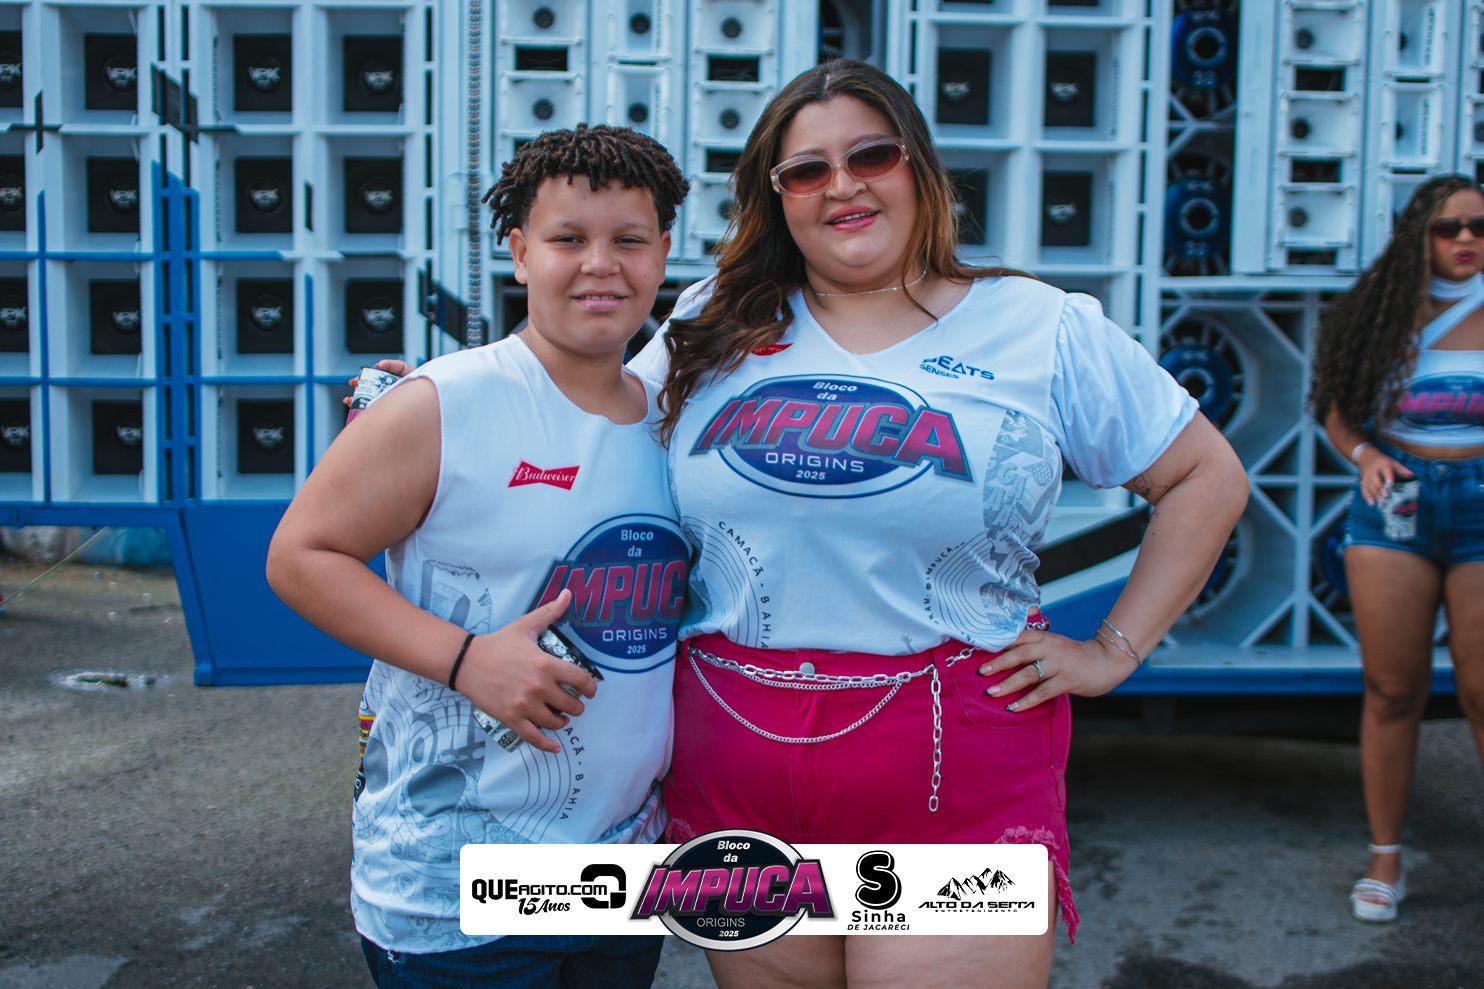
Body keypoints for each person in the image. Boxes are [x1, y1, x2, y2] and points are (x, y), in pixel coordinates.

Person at [622, 58, 1248, 989]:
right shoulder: (715, 320)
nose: (843, 185)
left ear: (918, 166)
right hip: (738, 762)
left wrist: (1114, 649)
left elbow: (1205, 474)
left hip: (954, 768)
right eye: (807, 169)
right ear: (776, 196)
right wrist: (443, 404)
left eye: (871, 155)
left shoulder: (1037, 326)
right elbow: (597, 428)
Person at [266, 125, 691, 987]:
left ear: (662, 254)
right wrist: (466, 659)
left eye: (629, 239)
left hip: (619, 872)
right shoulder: (445, 401)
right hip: (453, 886)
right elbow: (301, 555)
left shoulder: (676, 418)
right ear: (520, 252)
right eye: (568, 238)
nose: (601, 264)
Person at [1309, 174, 1484, 925]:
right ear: (1420, 236)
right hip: (1397, 504)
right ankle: (1385, 857)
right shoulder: (1379, 310)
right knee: (1392, 690)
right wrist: (1365, 454)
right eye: (1449, 228)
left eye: (1479, 227)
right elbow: (1335, 408)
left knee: (1481, 690)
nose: (1467, 239)